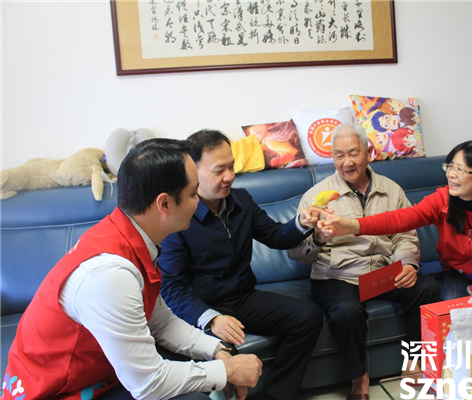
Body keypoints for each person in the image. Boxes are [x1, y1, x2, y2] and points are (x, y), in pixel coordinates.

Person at [3, 139, 262, 400]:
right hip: (57, 392)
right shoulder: (110, 275)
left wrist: (217, 350)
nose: (199, 202)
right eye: (194, 194)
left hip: (100, 376)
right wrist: (226, 370)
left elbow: (160, 322)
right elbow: (148, 383)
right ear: (164, 204)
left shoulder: (132, 238)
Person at [158, 130, 323, 400]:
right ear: (192, 171)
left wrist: (301, 223)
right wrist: (211, 319)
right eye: (219, 170)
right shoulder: (178, 215)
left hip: (243, 298)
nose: (229, 176)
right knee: (227, 359)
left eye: (231, 167)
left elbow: (276, 236)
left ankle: (275, 397)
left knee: (307, 317)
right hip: (202, 308)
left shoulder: (242, 200)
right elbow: (171, 288)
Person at [288, 123, 440, 400]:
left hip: (381, 271)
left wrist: (408, 263)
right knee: (346, 311)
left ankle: (414, 362)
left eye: (353, 153)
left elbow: (405, 235)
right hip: (337, 276)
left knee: (427, 288)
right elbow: (296, 252)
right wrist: (318, 239)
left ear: (368, 152)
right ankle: (358, 377)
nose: (347, 162)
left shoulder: (391, 190)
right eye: (339, 155)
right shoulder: (316, 197)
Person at [319, 140, 472, 301]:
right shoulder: (443, 198)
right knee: (451, 311)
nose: (451, 175)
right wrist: (352, 225)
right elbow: (403, 218)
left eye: (460, 170)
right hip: (458, 273)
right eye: (450, 167)